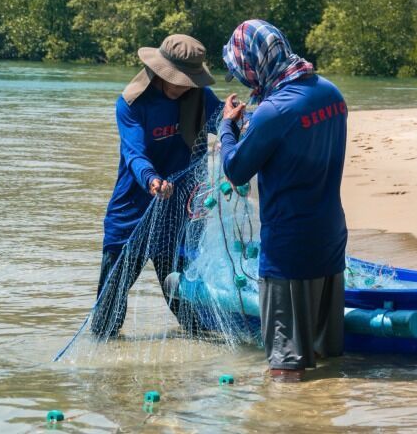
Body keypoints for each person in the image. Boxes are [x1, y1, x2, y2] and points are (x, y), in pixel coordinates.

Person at [219, 19, 348, 380]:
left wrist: (228, 127)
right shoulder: (332, 95)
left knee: (286, 369)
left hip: (288, 252)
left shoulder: (273, 112)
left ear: (254, 62)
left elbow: (236, 169)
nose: (245, 81)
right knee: (328, 360)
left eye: (242, 71)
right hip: (330, 242)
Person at [93, 34, 221, 337]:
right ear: (159, 71)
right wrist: (151, 180)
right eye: (178, 79)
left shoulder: (199, 97)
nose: (183, 85)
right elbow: (134, 154)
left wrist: (239, 117)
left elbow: (228, 126)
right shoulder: (132, 103)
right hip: (133, 215)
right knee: (107, 316)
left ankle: (200, 365)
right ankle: (106, 377)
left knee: (189, 309)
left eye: (189, 79)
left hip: (180, 214)